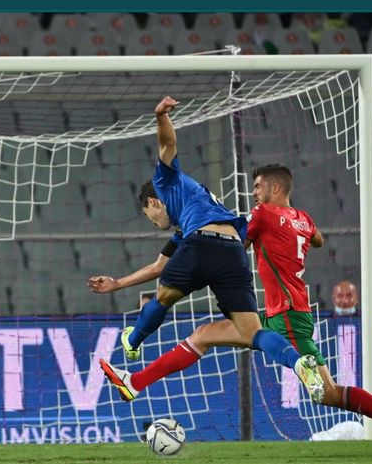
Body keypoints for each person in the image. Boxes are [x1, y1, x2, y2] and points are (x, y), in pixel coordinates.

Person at [98, 164, 372, 454]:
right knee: (203, 335)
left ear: (276, 187)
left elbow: (231, 239)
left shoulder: (262, 215)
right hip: (286, 311)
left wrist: (197, 234)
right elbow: (317, 239)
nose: (255, 193)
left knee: (330, 394)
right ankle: (135, 382)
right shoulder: (303, 219)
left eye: (259, 186)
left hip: (287, 316)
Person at [89, 96, 324, 402]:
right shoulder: (198, 209)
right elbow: (160, 265)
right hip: (232, 254)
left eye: (151, 217)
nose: (154, 223)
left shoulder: (165, 181)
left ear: (153, 202)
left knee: (164, 296)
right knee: (251, 332)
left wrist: (161, 116)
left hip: (202, 245)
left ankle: (132, 341)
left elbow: (168, 145)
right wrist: (119, 283)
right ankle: (297, 362)